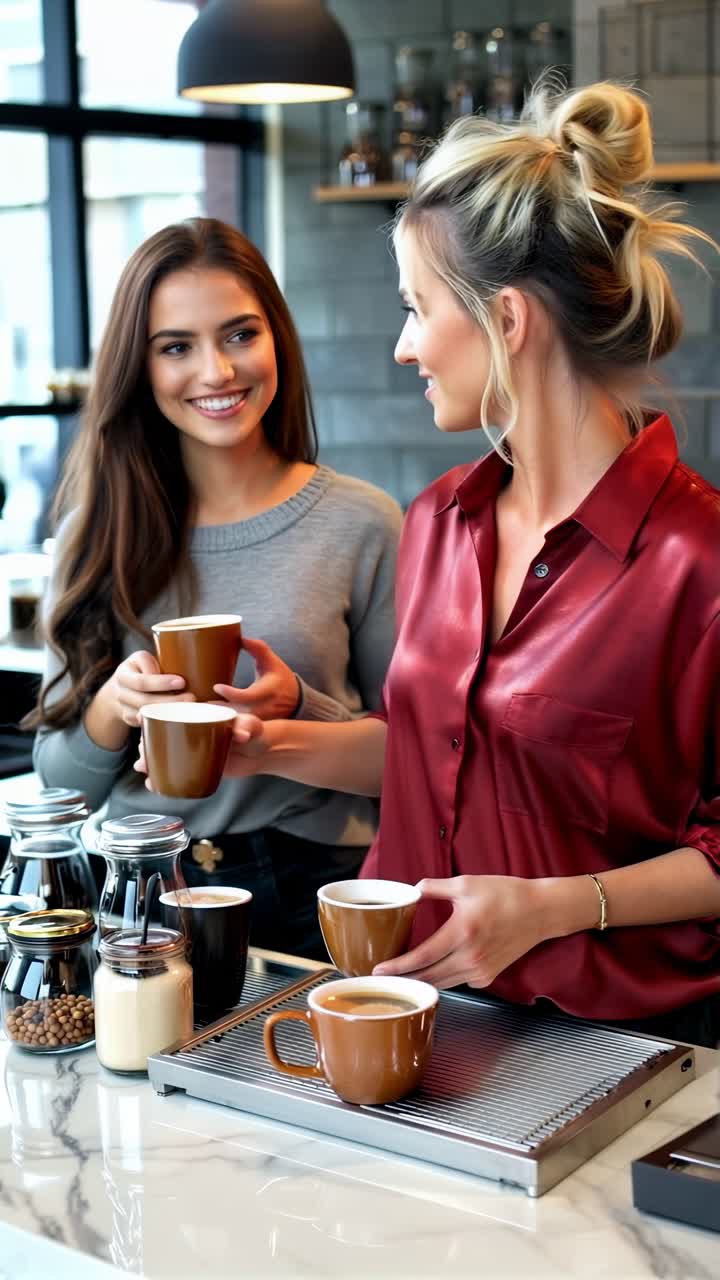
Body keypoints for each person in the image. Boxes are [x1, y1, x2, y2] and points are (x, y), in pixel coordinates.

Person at [197, 80, 720, 1046]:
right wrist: (271, 744)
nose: (402, 347)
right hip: (421, 1017)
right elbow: (439, 750)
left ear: (507, 322)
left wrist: (559, 906)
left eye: (417, 307)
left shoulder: (700, 562)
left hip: (630, 1049)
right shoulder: (441, 519)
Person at [30, 217, 402, 960]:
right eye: (176, 347)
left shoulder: (362, 521)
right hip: (140, 884)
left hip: (317, 884)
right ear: (140, 368)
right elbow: (59, 785)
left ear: (277, 340)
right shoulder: (95, 531)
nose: (217, 372)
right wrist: (112, 709)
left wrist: (295, 714)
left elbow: (412, 761)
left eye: (239, 335)